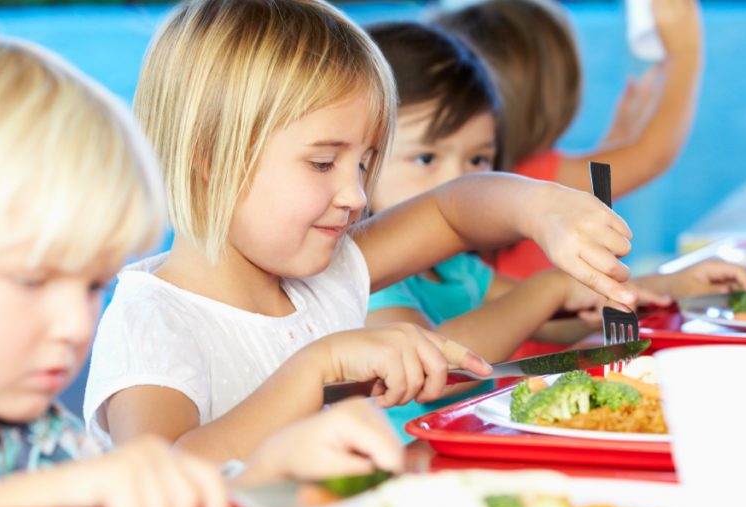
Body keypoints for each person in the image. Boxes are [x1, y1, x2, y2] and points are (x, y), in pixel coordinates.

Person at [0, 26, 403, 507]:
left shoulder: (43, 438)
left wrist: (274, 483)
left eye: (92, 285)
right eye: (31, 280)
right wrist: (55, 501)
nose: (75, 326)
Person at [85, 0, 639, 462]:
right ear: (211, 157)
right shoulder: (153, 322)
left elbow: (450, 210)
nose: (354, 195)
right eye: (323, 163)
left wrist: (541, 208)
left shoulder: (325, 275)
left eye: (365, 162)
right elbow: (161, 483)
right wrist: (319, 367)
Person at [363, 22, 746, 432]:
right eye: (426, 159)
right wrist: (550, 287)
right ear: (361, 159)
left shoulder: (454, 268)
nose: (459, 180)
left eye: (478, 160)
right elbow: (434, 370)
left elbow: (550, 317)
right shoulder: (368, 279)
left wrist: (669, 287)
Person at [435, 0, 704, 279]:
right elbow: (651, 157)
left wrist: (618, 139)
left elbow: (595, 186)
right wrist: (685, 53)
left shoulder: (487, 179)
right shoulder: (532, 180)